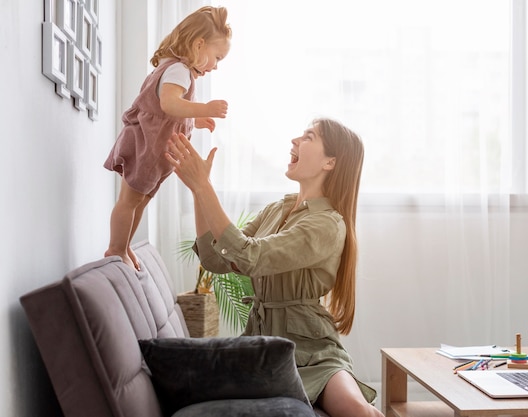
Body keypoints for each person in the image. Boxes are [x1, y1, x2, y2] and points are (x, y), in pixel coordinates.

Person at [165, 118, 384, 417]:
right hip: (262, 347)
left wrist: (205, 188)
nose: (295, 140)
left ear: (330, 161)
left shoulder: (327, 224)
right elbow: (216, 260)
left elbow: (249, 256)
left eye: (308, 137)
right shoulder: (276, 209)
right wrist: (197, 191)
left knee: (358, 411)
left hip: (313, 354)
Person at [103, 6, 231, 270]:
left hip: (155, 151)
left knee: (141, 199)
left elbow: (170, 113)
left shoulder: (175, 70)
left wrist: (195, 119)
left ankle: (124, 245)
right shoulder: (179, 71)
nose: (216, 66)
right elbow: (169, 104)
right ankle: (116, 249)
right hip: (146, 148)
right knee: (129, 200)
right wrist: (205, 108)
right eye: (216, 57)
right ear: (198, 44)